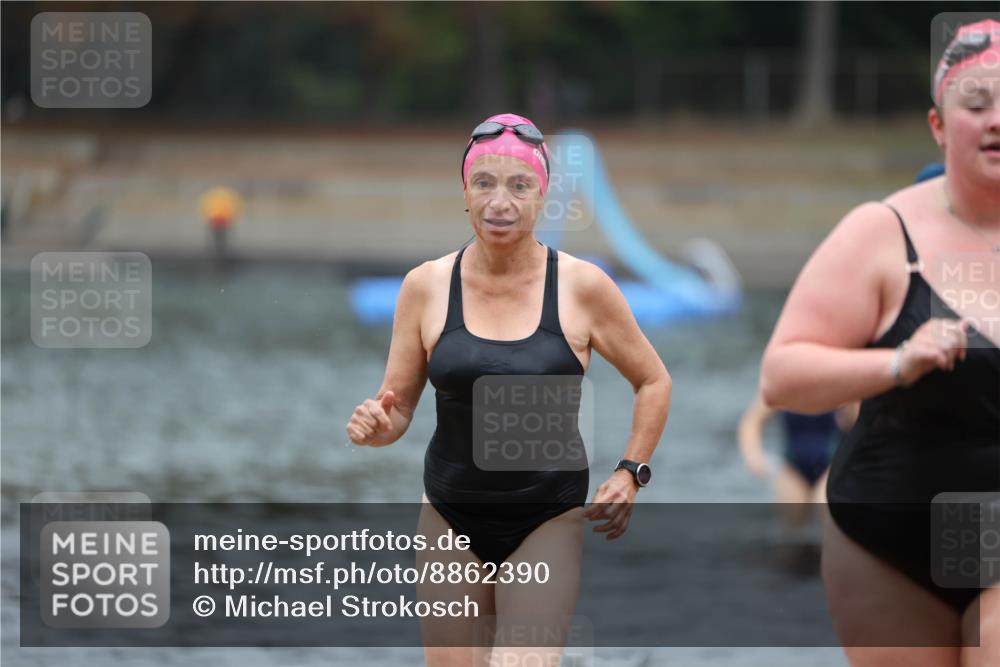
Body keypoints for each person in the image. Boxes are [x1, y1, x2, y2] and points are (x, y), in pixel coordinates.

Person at [345, 113, 671, 666]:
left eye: (519, 185)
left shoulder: (583, 287)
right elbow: (395, 412)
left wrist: (630, 471)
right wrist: (376, 428)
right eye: (485, 184)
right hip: (449, 515)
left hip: (546, 518)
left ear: (542, 195)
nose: (501, 201)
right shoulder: (425, 287)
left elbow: (653, 380)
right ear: (465, 193)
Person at [760, 19, 1000, 666]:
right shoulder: (881, 232)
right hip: (883, 536)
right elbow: (781, 375)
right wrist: (896, 361)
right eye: (977, 104)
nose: (997, 120)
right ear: (938, 125)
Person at [738, 391, 857, 526]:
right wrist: (754, 458)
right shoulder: (783, 383)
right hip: (792, 468)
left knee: (824, 506)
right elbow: (751, 421)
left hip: (831, 466)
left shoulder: (840, 380)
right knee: (791, 524)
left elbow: (859, 422)